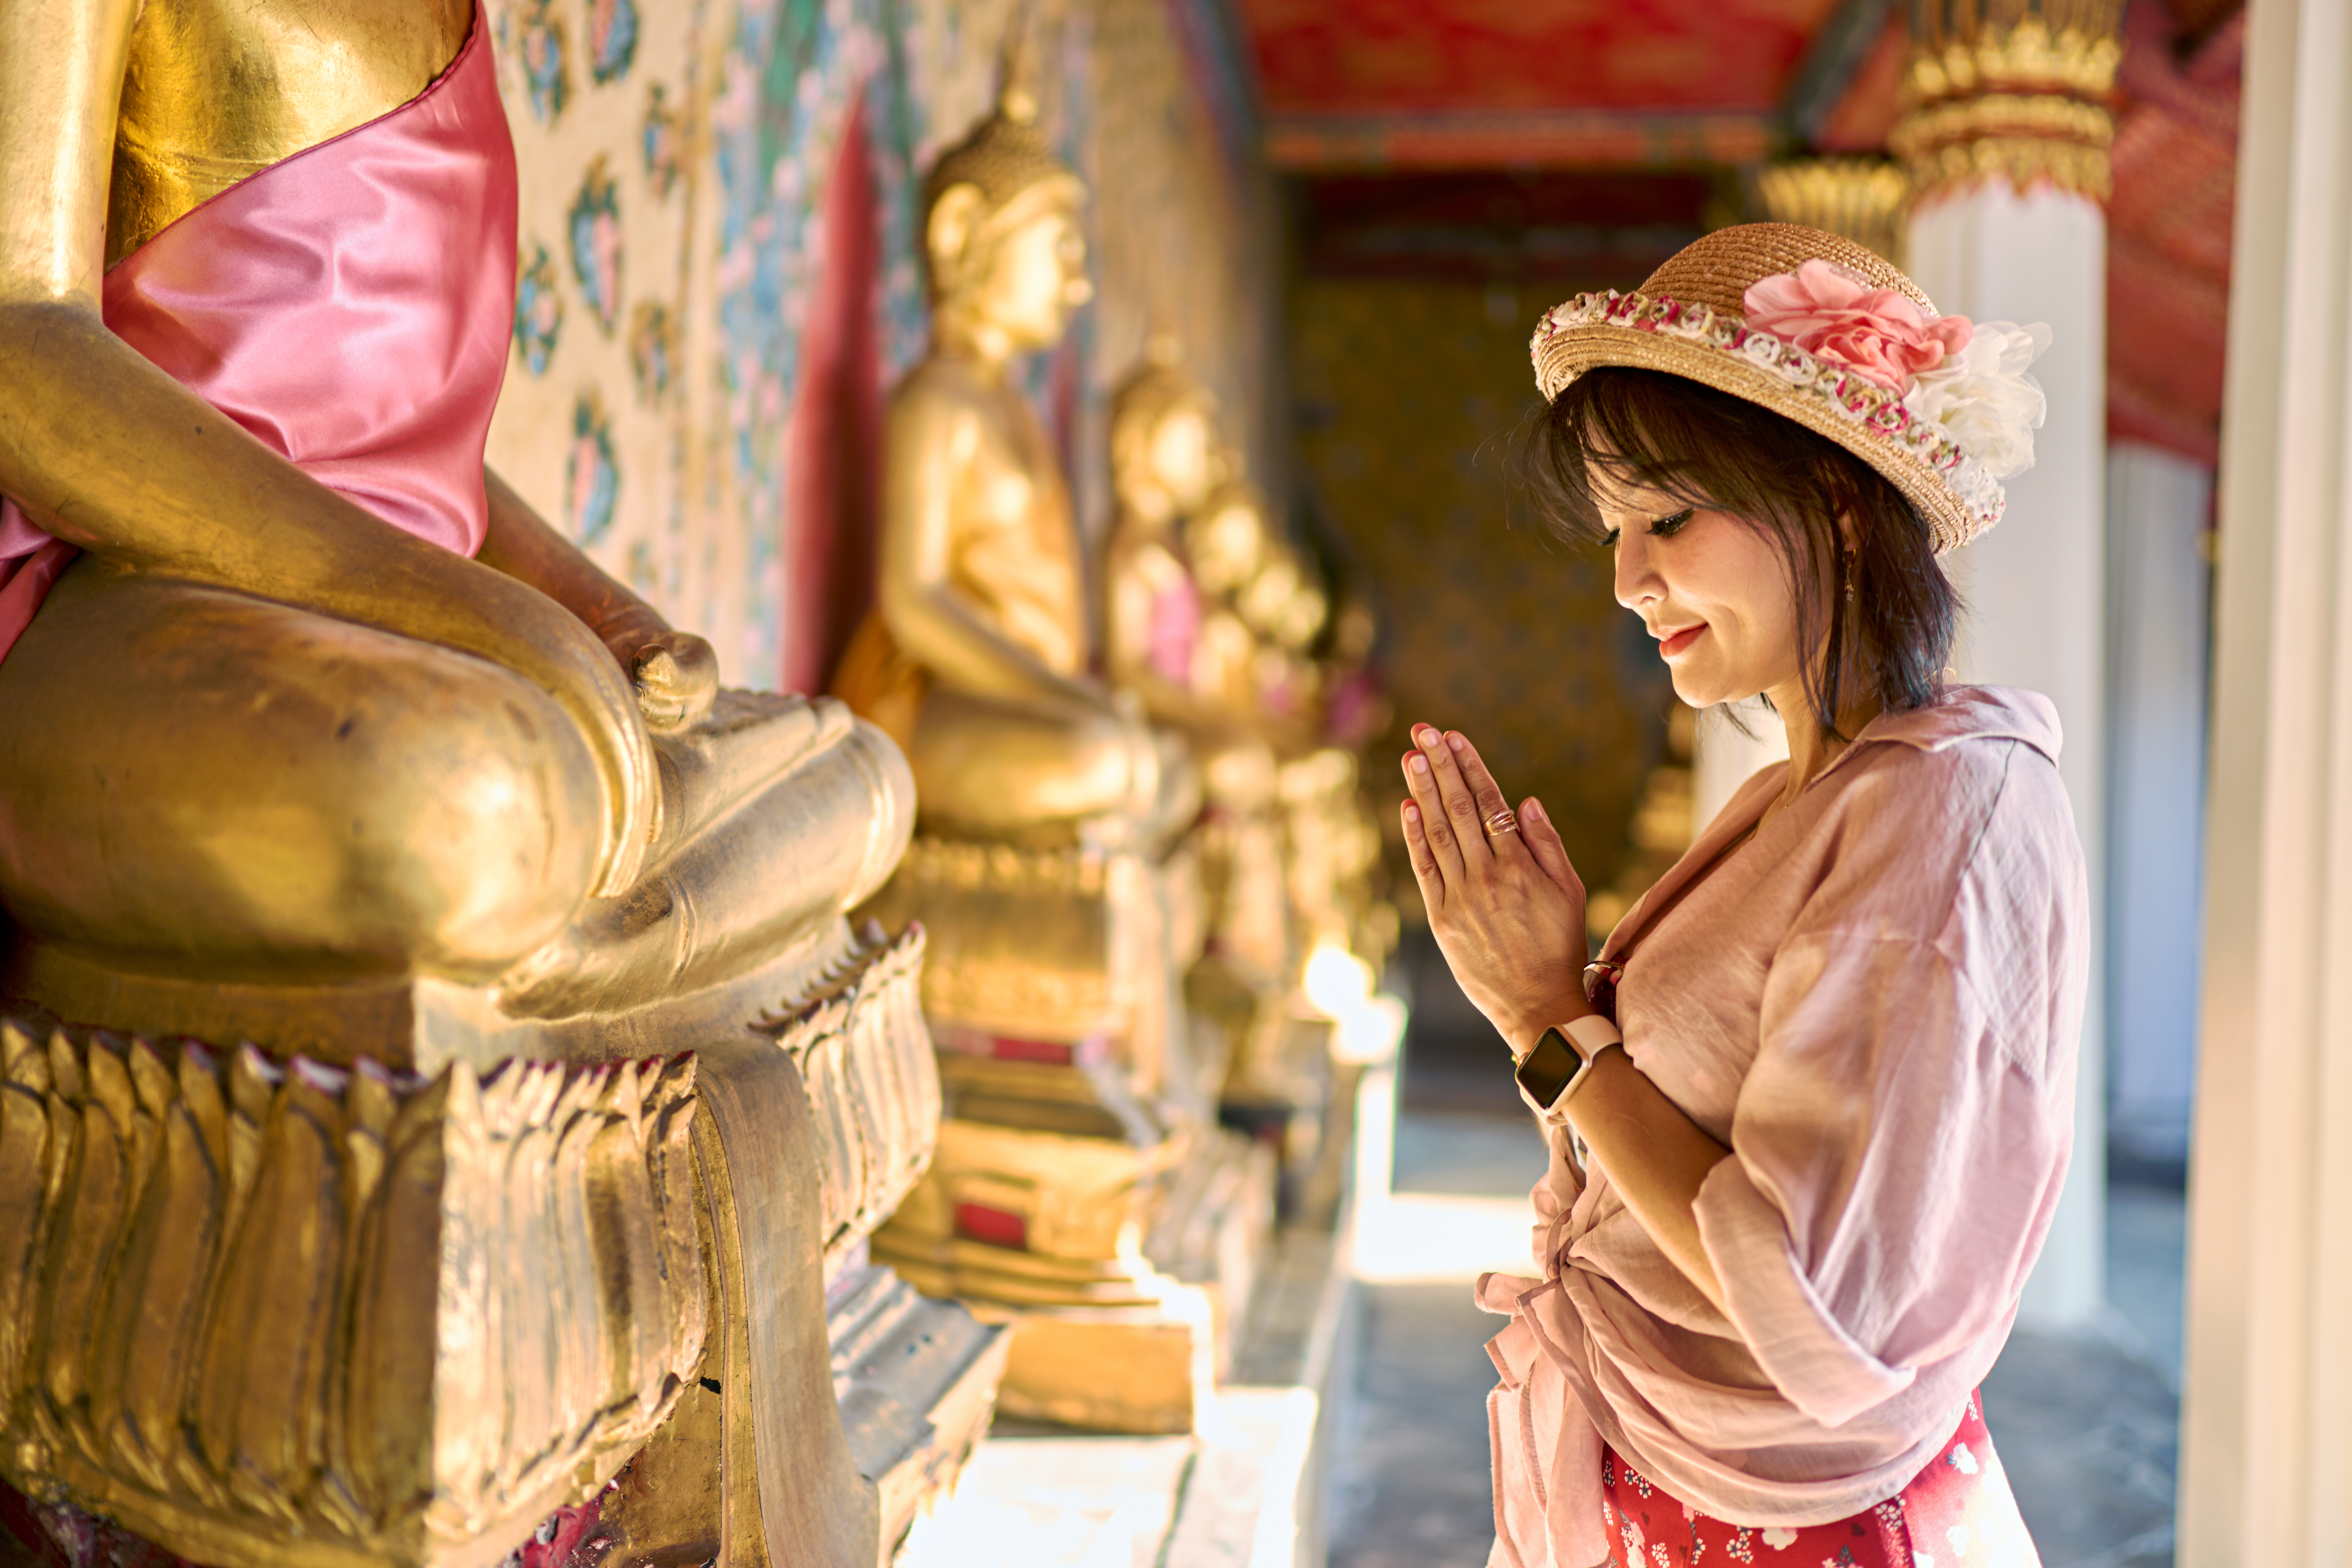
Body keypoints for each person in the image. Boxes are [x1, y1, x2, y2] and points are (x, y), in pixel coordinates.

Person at [1399, 224, 2084, 1567]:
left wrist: (1549, 1014)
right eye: (1614, 531)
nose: (1626, 579)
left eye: (1668, 516)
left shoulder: (1942, 808)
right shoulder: (1803, 797)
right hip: (1673, 1492)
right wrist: (1550, 1006)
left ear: (1833, 496)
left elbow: (1819, 1313)